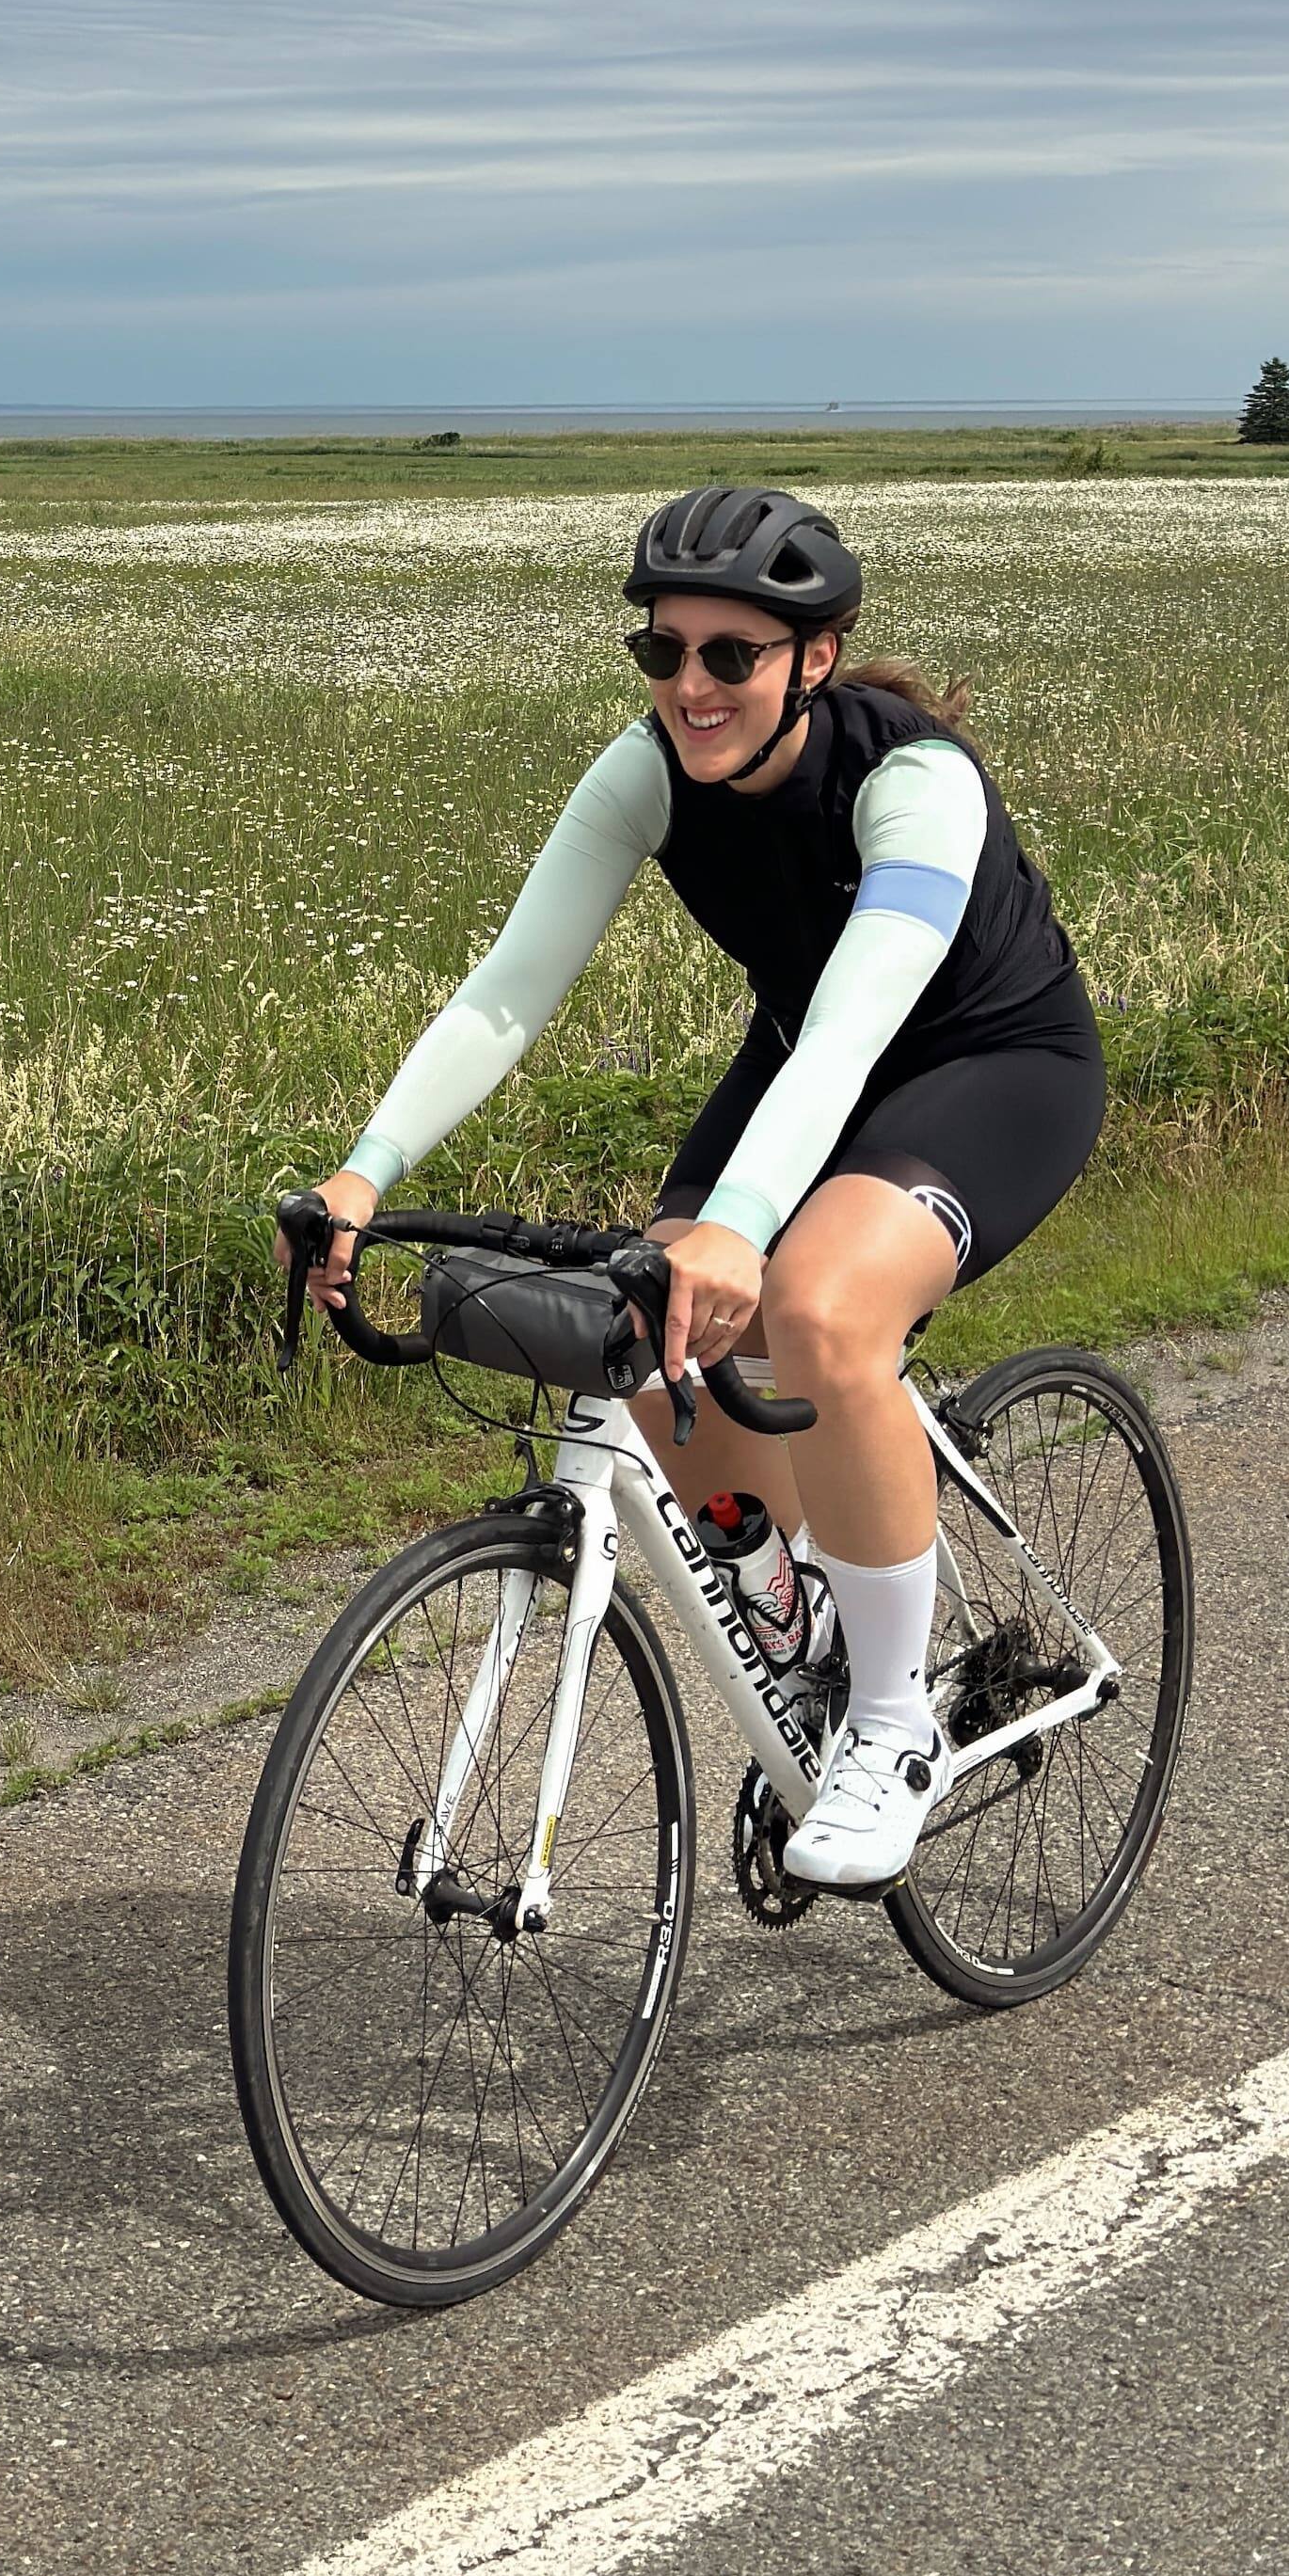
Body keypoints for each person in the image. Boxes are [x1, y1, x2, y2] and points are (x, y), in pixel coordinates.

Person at [305, 480, 1106, 1890]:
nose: (690, 685)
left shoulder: (913, 780)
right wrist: (367, 1170)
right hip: (810, 1053)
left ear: (814, 656)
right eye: (662, 652)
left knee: (819, 1311)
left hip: (990, 1063)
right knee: (654, 1322)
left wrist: (744, 1232)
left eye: (728, 655)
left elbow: (866, 1017)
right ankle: (797, 1611)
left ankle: (894, 1721)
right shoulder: (646, 772)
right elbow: (510, 989)